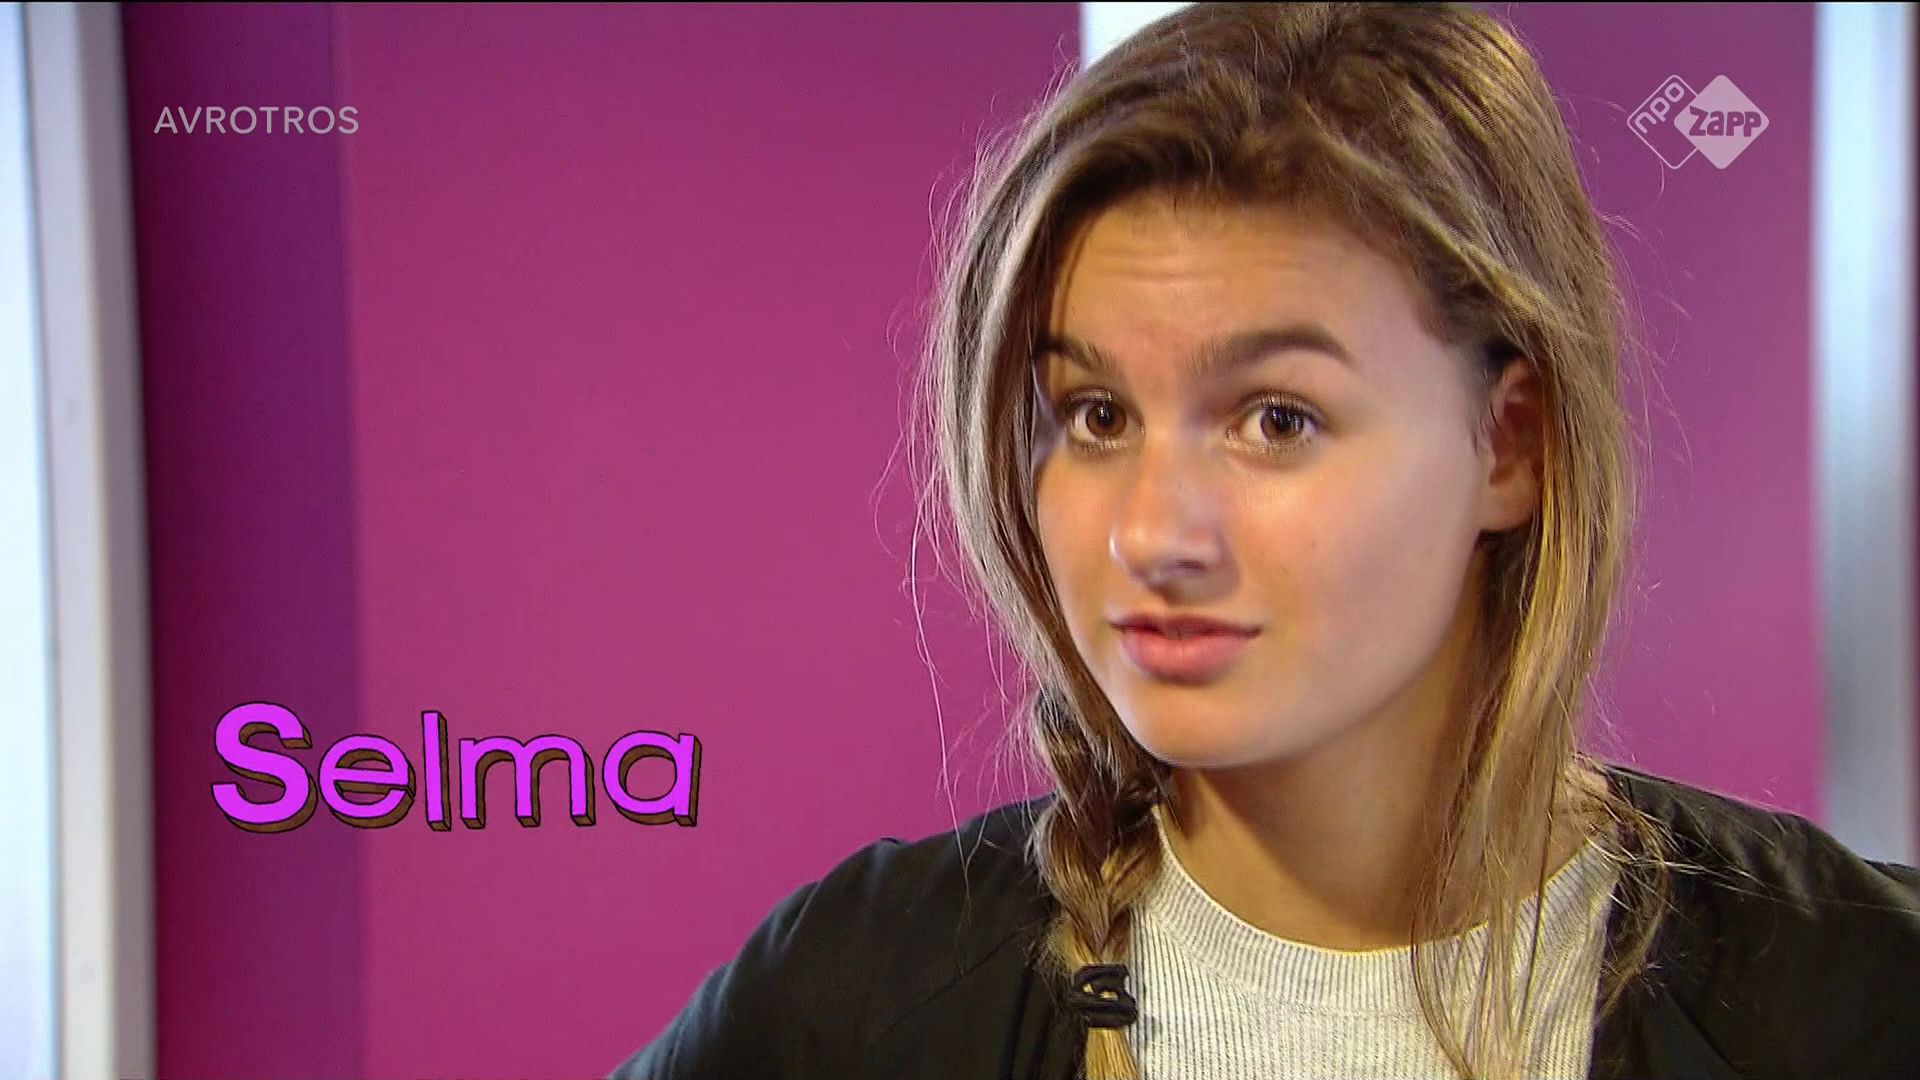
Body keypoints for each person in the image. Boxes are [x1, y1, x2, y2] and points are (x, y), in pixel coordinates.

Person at [609, 3, 1920, 1078]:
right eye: (1096, 415)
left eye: (1276, 420)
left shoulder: (1854, 997)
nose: (1154, 534)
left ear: (1509, 445)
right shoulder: (861, 999)